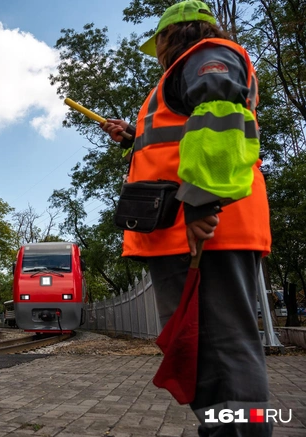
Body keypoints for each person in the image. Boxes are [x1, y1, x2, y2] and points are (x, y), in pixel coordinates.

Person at [101, 2, 272, 436]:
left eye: (157, 42)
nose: (156, 52)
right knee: (203, 350)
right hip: (190, 231)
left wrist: (200, 205)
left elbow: (219, 118)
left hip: (203, 231)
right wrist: (131, 140)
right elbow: (176, 145)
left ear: (171, 34)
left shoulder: (205, 56)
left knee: (220, 349)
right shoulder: (188, 68)